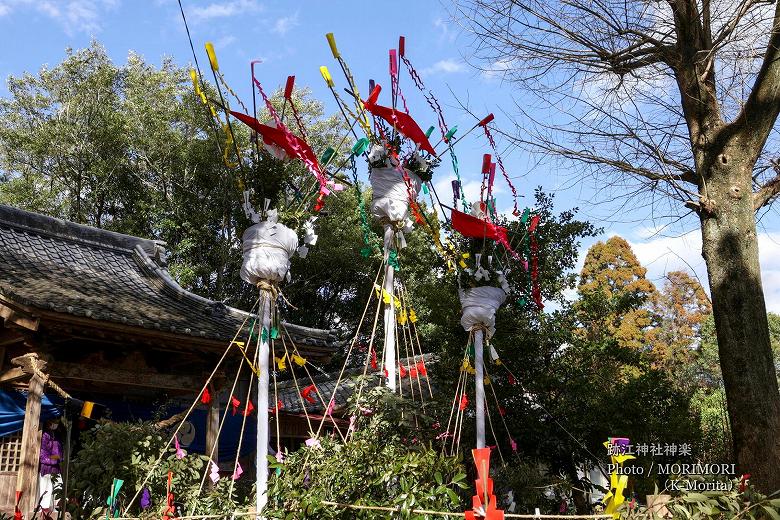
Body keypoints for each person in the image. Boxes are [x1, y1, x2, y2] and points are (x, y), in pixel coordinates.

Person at [38, 418, 63, 519]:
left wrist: (57, 457)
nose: (55, 424)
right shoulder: (44, 435)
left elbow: (59, 453)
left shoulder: (56, 435)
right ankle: (44, 510)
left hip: (55, 467)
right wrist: (55, 458)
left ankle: (58, 506)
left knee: (58, 486)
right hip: (46, 468)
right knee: (46, 488)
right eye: (54, 421)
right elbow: (43, 455)